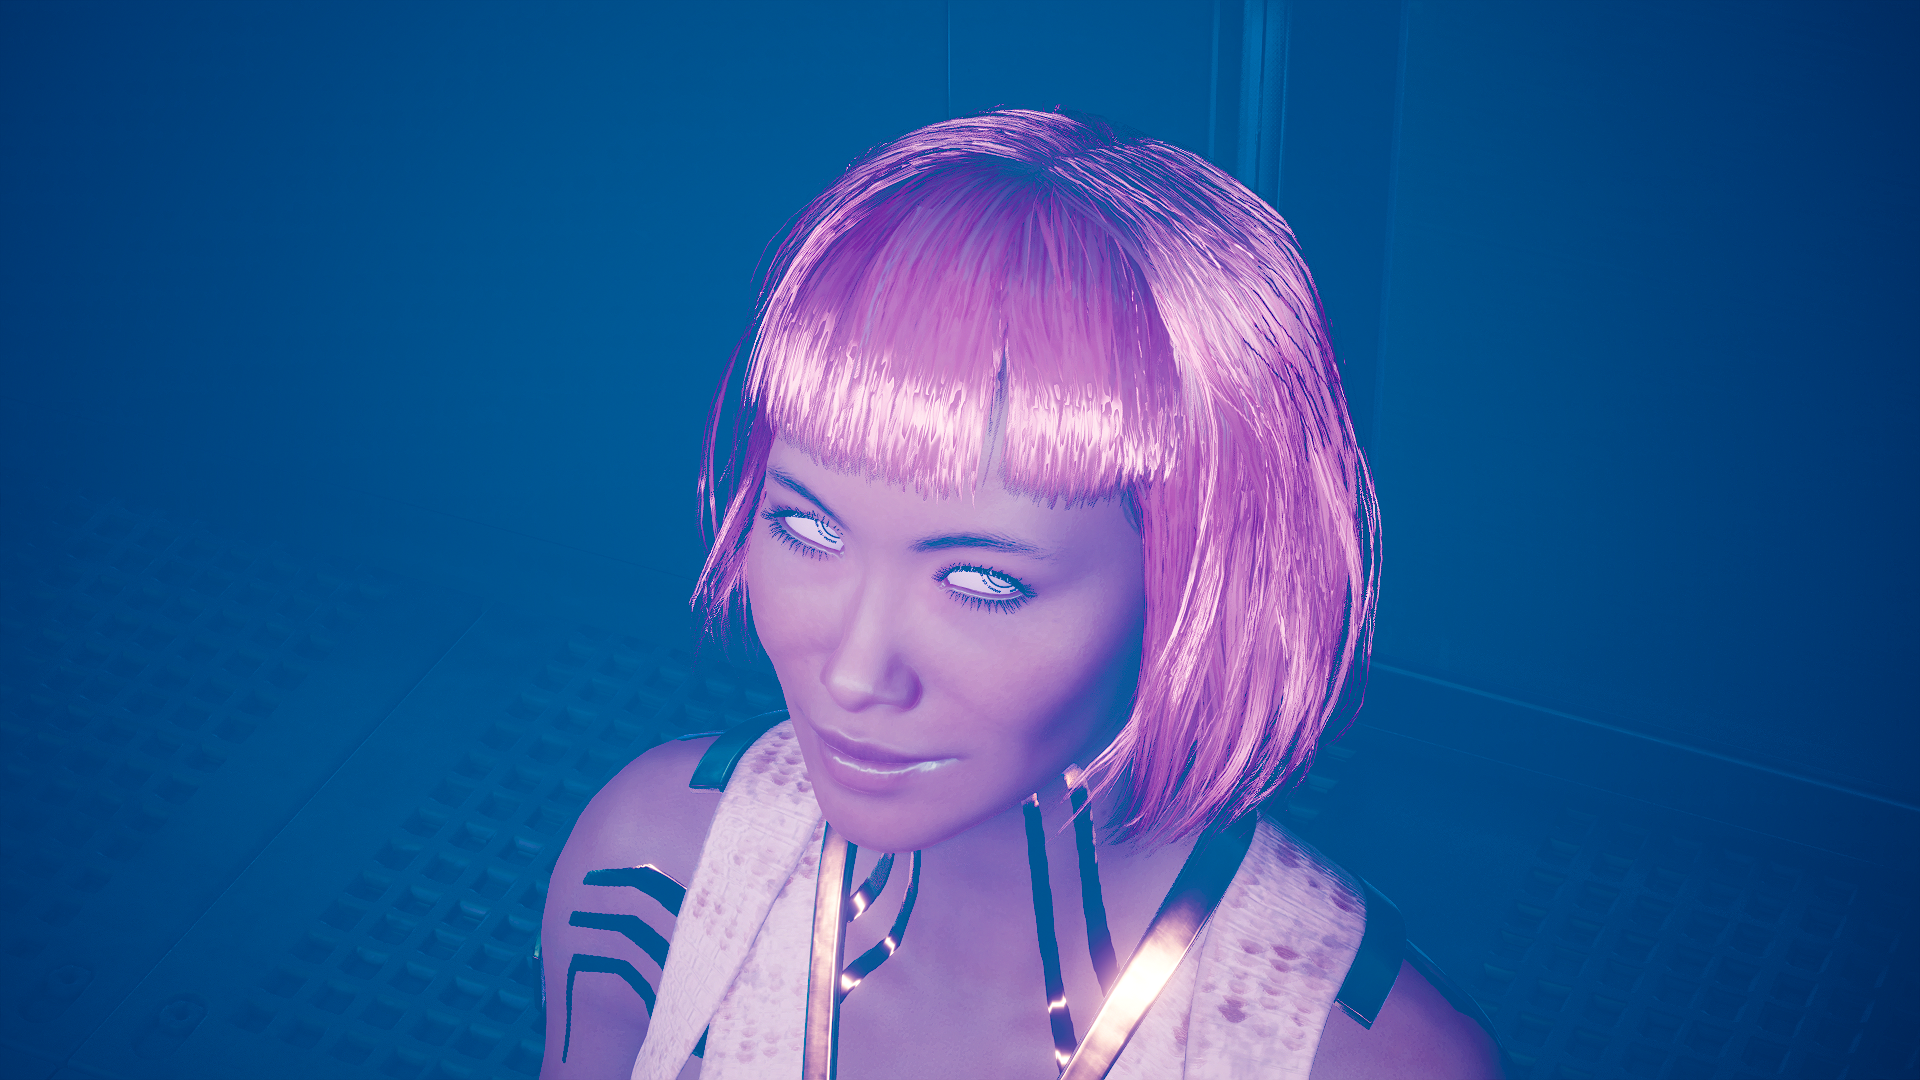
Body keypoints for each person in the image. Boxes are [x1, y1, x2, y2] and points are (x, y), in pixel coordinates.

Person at [541, 109, 1502, 1079]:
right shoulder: (655, 873)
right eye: (808, 529)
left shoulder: (1366, 1059)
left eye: (983, 582)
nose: (856, 673)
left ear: (1196, 594)